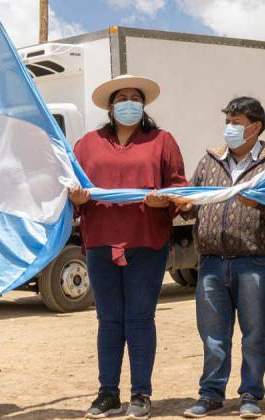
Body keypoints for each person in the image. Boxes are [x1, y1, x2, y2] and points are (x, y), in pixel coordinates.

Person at [68, 74, 187, 419]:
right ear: (110, 106)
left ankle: (141, 395)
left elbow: (178, 189)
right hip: (101, 241)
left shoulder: (162, 141)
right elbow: (73, 192)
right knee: (108, 320)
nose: (130, 103)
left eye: (136, 97)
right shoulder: (87, 144)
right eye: (123, 97)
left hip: (147, 242)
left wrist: (163, 202)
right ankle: (107, 394)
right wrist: (76, 198)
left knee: (139, 318)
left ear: (144, 105)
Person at [176, 97, 265, 418]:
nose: (229, 128)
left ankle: (250, 395)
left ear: (255, 127)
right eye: (227, 121)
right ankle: (211, 394)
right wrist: (184, 205)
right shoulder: (209, 161)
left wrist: (260, 206)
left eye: (237, 122)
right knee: (213, 335)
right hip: (211, 263)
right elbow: (193, 199)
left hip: (254, 262)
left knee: (254, 333)